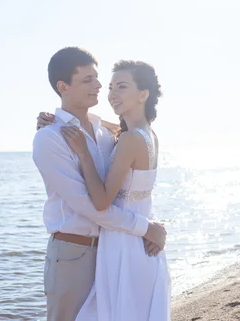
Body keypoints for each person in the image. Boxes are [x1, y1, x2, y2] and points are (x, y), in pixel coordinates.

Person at [32, 47, 167, 321]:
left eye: (97, 79)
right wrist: (147, 228)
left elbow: (123, 183)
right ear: (63, 86)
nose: (98, 87)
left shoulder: (105, 134)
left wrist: (149, 228)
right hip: (75, 252)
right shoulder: (50, 138)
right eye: (87, 81)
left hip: (114, 248)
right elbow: (89, 205)